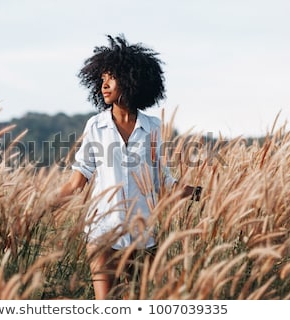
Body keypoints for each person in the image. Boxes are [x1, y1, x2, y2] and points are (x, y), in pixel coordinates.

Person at [56, 34, 200, 299]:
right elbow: (77, 183)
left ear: (132, 79)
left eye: (112, 77)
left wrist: (201, 193)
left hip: (143, 233)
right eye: (102, 79)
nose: (105, 85)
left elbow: (163, 181)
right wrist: (40, 207)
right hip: (102, 231)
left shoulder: (153, 127)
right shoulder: (96, 126)